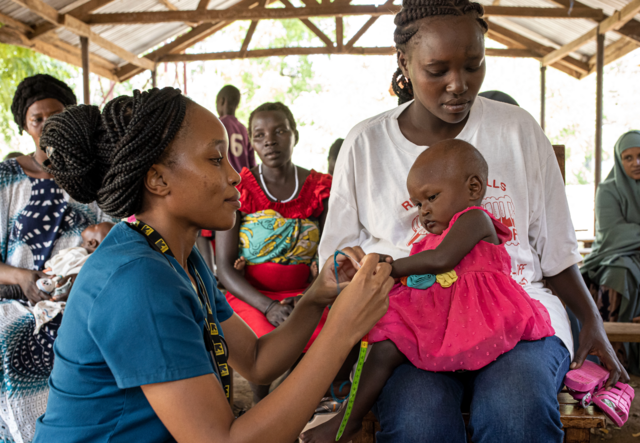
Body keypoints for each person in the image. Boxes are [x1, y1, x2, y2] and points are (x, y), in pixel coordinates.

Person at [317, 1, 627, 441]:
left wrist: (592, 322)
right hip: (417, 326)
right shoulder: (366, 144)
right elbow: (335, 261)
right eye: (437, 70)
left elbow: (556, 252)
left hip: (519, 315)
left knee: (514, 414)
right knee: (419, 423)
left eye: (473, 65)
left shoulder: (517, 130)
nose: (458, 85)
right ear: (403, 61)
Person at [32, 87, 392, 443]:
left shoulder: (174, 256)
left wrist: (318, 296)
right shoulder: (137, 280)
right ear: (158, 179)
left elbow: (255, 359)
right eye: (216, 159)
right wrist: (342, 328)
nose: (235, 176)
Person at [303, 140, 556, 442]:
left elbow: (441, 260)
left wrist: (390, 267)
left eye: (432, 197)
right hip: (442, 315)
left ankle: (336, 410)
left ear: (474, 188)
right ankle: (345, 415)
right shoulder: (433, 237)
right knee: (381, 347)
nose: (424, 211)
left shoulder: (474, 219)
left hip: (477, 316)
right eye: (419, 204)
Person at [0, 74, 115, 443]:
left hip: (86, 295)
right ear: (24, 125)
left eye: (57, 116)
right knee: (16, 337)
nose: (47, 125)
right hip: (16, 300)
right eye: (38, 119)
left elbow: (113, 235)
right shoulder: (6, 179)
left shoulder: (92, 178)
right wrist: (22, 278)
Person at [217, 102, 332, 403]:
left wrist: (310, 296)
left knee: (327, 338)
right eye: (260, 134)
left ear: (295, 135)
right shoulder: (238, 189)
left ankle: (290, 404)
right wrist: (268, 306)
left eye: (280, 131)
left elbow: (330, 252)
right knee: (263, 345)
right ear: (252, 142)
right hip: (251, 296)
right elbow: (225, 269)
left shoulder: (320, 188)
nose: (270, 140)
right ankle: (261, 402)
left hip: (305, 295)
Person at [582, 130, 640, 374]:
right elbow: (613, 232)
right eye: (628, 157)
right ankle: (612, 354)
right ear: (619, 160)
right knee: (618, 270)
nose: (636, 163)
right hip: (611, 255)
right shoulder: (608, 189)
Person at [0, 221, 114, 300]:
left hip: (56, 280)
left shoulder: (78, 253)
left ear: (92, 242)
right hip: (42, 280)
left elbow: (60, 260)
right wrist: (20, 276)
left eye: (94, 226)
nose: (91, 225)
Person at [217, 85, 256, 172]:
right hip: (243, 181)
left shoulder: (216, 125)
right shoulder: (244, 130)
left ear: (222, 101)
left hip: (225, 181)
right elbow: (252, 163)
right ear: (237, 105)